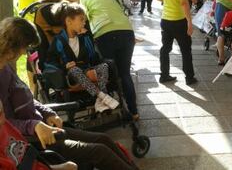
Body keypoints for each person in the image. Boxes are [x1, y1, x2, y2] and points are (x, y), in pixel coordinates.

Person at [0, 17, 138, 170]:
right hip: (31, 140)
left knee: (103, 138)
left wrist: (47, 112)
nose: (25, 52)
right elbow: (3, 125)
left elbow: (27, 99)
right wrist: (34, 126)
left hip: (43, 127)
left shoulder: (5, 67)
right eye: (24, 47)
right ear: (13, 46)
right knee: (100, 151)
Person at [80, 0, 139, 120]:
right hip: (126, 32)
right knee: (125, 73)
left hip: (105, 35)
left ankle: (110, 107)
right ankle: (134, 111)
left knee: (109, 72)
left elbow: (83, 20)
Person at [46, 2, 119, 112]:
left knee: (104, 66)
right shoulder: (58, 41)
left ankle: (100, 101)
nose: (84, 23)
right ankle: (102, 96)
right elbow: (50, 61)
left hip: (86, 70)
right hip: (70, 75)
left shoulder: (84, 37)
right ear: (69, 21)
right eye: (81, 20)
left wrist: (86, 38)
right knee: (74, 70)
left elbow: (94, 58)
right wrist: (64, 66)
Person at [0, 99, 78, 170]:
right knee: (89, 150)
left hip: (39, 158)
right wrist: (34, 126)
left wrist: (47, 112)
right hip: (39, 135)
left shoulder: (5, 124)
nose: (3, 120)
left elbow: (31, 100)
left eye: (1, 113)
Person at [157, 0, 197, 85]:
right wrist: (190, 22)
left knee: (165, 49)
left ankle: (164, 75)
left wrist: (169, 0)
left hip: (165, 20)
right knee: (185, 50)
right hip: (179, 21)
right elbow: (184, 3)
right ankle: (189, 78)